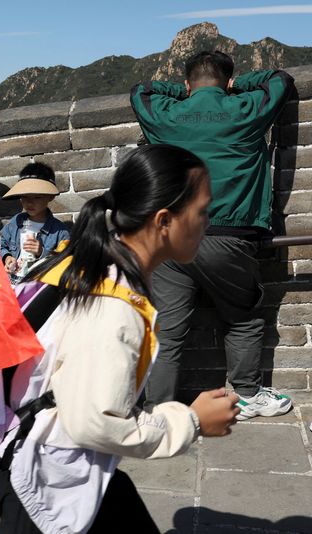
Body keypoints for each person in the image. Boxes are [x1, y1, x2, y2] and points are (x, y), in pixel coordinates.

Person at [0, 144, 239, 533]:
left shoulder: (97, 261)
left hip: (63, 462)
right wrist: (191, 421)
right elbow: (96, 422)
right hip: (45, 485)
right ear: (165, 220)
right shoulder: (113, 304)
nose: (208, 221)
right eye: (202, 211)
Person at [131, 51, 294, 418]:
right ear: (226, 80)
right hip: (228, 235)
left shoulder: (168, 114)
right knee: (242, 316)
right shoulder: (246, 110)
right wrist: (235, 87)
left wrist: (181, 92)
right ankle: (248, 394)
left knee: (168, 329)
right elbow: (280, 80)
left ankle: (158, 409)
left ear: (188, 84)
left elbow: (140, 90)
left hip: (169, 238)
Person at [0, 162, 70, 283]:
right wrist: (7, 257)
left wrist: (42, 252)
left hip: (38, 289)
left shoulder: (61, 232)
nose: (30, 203)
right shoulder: (16, 222)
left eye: (37, 197)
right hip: (11, 285)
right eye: (25, 197)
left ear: (50, 197)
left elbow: (65, 262)